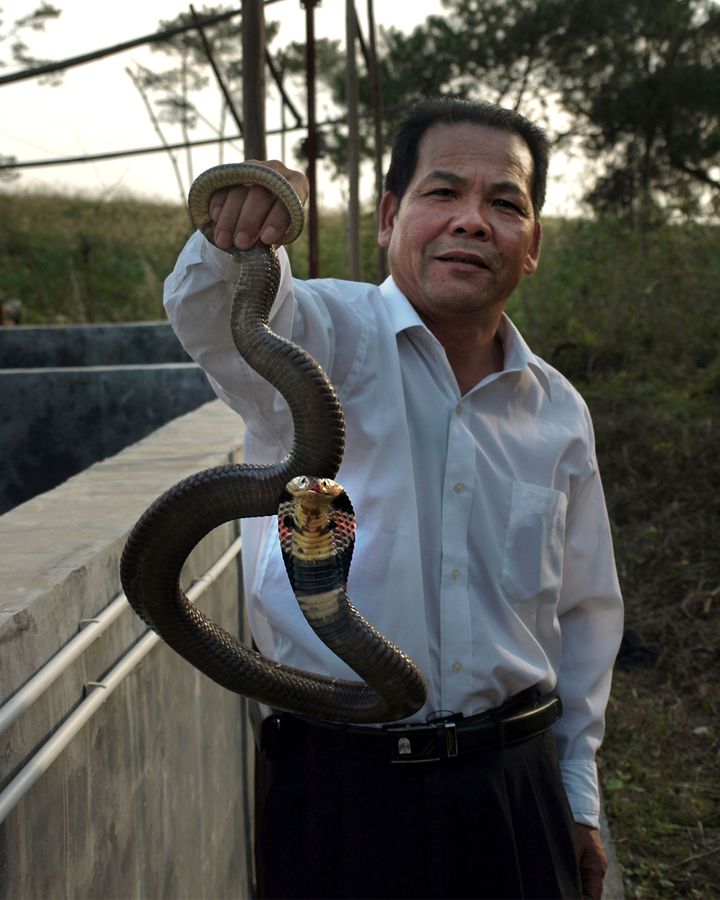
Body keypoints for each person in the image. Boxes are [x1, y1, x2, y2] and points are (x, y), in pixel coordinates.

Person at [164, 98, 623, 900]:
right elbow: (212, 318)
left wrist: (577, 794)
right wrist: (245, 219)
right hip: (341, 794)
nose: (473, 221)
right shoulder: (322, 332)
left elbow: (584, 616)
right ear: (388, 217)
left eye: (504, 203)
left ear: (534, 244)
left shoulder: (558, 410)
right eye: (443, 193)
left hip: (515, 791)